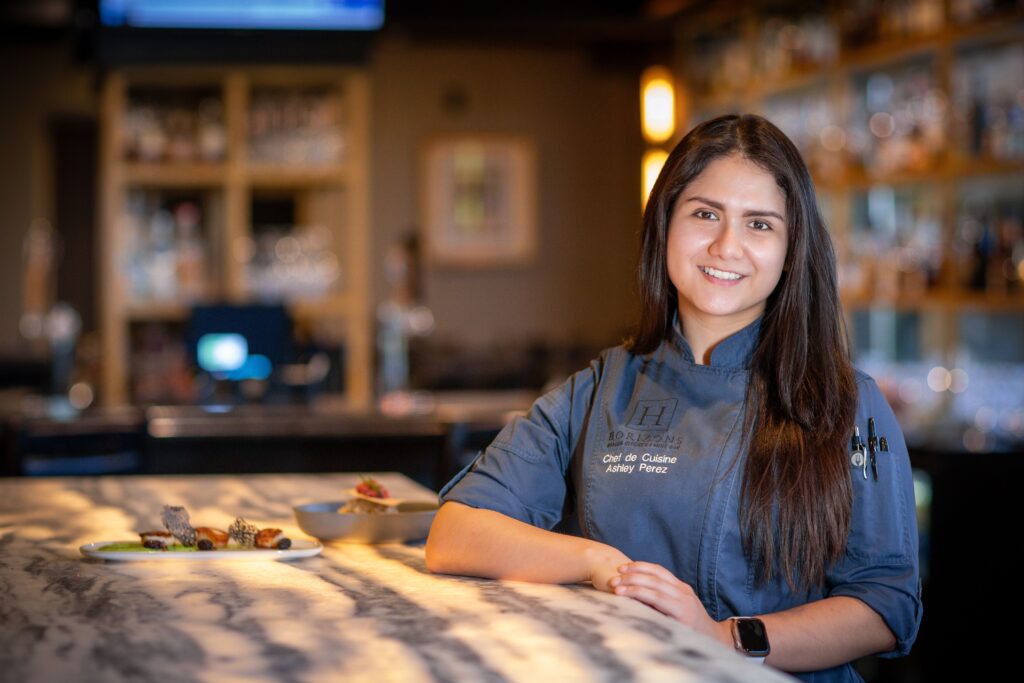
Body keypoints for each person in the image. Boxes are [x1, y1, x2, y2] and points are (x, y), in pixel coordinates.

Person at [425, 114, 922, 682]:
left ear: (790, 251)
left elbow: (887, 604)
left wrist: (727, 638)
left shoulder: (851, 406)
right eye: (705, 214)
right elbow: (455, 533)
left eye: (759, 225)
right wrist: (597, 563)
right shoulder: (600, 387)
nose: (726, 245)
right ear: (666, 225)